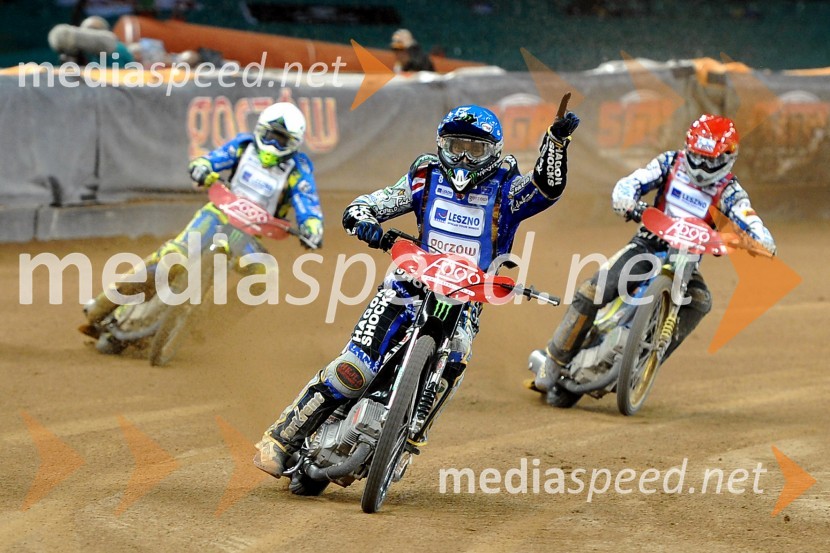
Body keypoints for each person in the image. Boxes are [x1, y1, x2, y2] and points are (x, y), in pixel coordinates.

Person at [253, 103, 580, 478]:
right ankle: (281, 439)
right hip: (410, 282)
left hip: (466, 296)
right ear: (441, 144)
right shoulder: (425, 175)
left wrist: (555, 143)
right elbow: (371, 203)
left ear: (494, 151)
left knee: (456, 357)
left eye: (475, 149)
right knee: (354, 368)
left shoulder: (506, 188)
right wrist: (365, 221)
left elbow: (545, 187)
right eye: (455, 145)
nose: (462, 157)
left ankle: (408, 441)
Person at [532, 114, 777, 404]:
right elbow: (631, 183)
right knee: (594, 288)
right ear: (689, 148)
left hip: (687, 262)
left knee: (701, 302)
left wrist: (755, 241)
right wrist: (629, 202)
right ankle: (554, 359)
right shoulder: (670, 163)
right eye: (697, 157)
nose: (701, 167)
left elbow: (754, 224)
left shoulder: (730, 192)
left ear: (728, 157)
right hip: (648, 245)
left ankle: (644, 361)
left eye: (710, 161)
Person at [81, 102, 323, 336]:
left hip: (246, 234)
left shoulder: (298, 169)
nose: (273, 144)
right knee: (174, 257)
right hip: (216, 216)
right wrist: (202, 167)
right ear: (260, 130)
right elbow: (213, 159)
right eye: (270, 136)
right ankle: (104, 303)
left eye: (281, 140)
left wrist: (312, 226)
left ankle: (208, 328)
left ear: (294, 143)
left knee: (266, 275)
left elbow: (306, 199)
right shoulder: (243, 146)